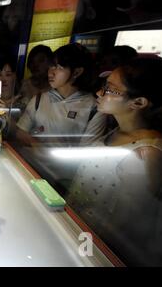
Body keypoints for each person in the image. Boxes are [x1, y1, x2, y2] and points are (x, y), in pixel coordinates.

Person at [67, 58, 162, 266]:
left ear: (138, 102)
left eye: (109, 89)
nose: (100, 93)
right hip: (78, 236)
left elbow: (123, 228)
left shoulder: (146, 154)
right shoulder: (117, 132)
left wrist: (79, 251)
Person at [14, 43, 106, 146]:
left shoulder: (93, 109)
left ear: (77, 72)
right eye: (51, 66)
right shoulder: (39, 99)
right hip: (30, 161)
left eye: (59, 67)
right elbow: (20, 132)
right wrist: (35, 144)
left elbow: (87, 152)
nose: (51, 73)